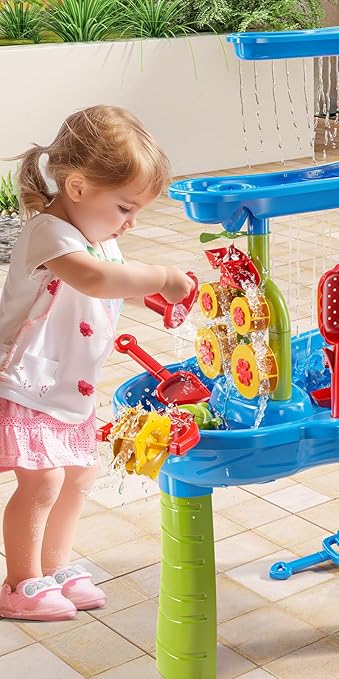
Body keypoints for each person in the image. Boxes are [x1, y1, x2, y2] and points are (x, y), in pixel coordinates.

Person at [0, 105, 194, 621]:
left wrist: (155, 299)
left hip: (70, 386)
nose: (131, 223)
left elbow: (110, 285)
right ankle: (20, 584)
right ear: (78, 187)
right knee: (42, 482)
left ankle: (55, 567)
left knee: (80, 476)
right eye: (125, 208)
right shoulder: (48, 233)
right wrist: (161, 276)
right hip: (28, 381)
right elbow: (94, 280)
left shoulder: (99, 240)